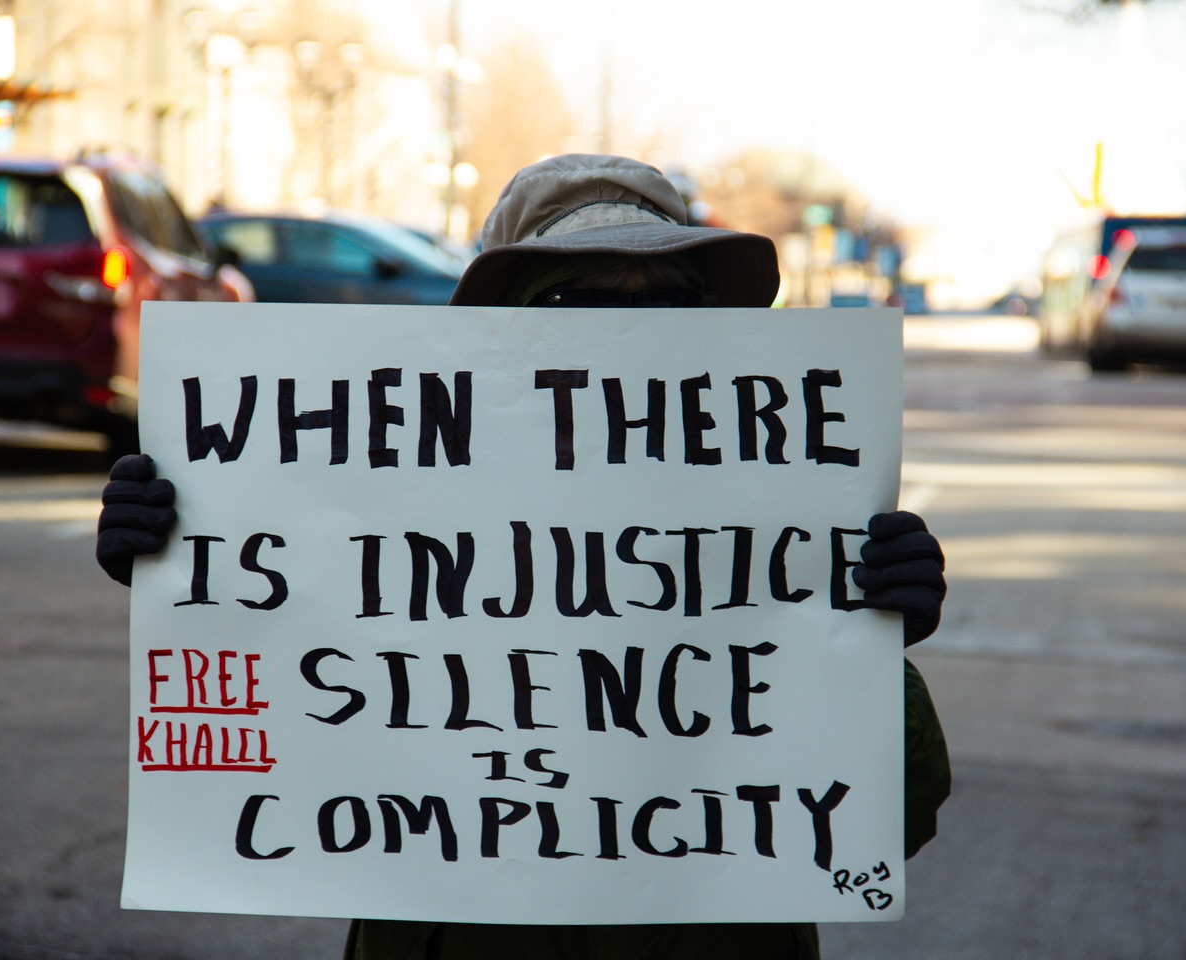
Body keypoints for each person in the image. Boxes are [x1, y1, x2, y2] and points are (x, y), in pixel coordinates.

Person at [97, 154, 949, 960]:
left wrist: (870, 656)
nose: (633, 344)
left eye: (672, 309)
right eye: (584, 307)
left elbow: (885, 819)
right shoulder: (379, 539)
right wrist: (184, 570)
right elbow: (280, 744)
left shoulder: (777, 546)